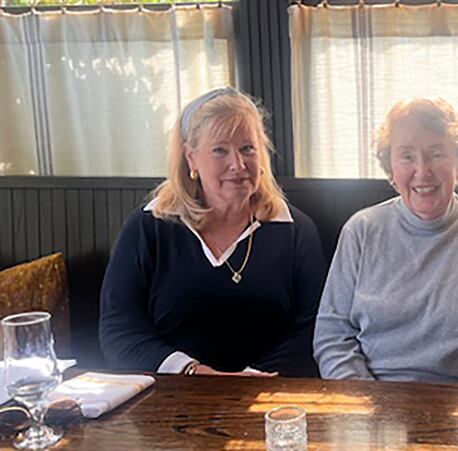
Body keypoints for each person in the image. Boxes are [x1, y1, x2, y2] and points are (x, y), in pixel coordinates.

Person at [99, 88, 326, 377]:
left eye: (248, 148)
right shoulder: (148, 227)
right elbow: (119, 331)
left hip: (270, 394)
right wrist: (191, 372)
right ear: (191, 158)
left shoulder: (295, 230)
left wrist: (252, 380)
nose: (238, 164)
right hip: (170, 395)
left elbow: (313, 326)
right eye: (220, 150)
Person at [314, 98, 458, 386]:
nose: (422, 170)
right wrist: (367, 401)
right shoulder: (361, 231)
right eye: (406, 156)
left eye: (436, 153)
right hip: (371, 403)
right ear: (390, 167)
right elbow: (332, 335)